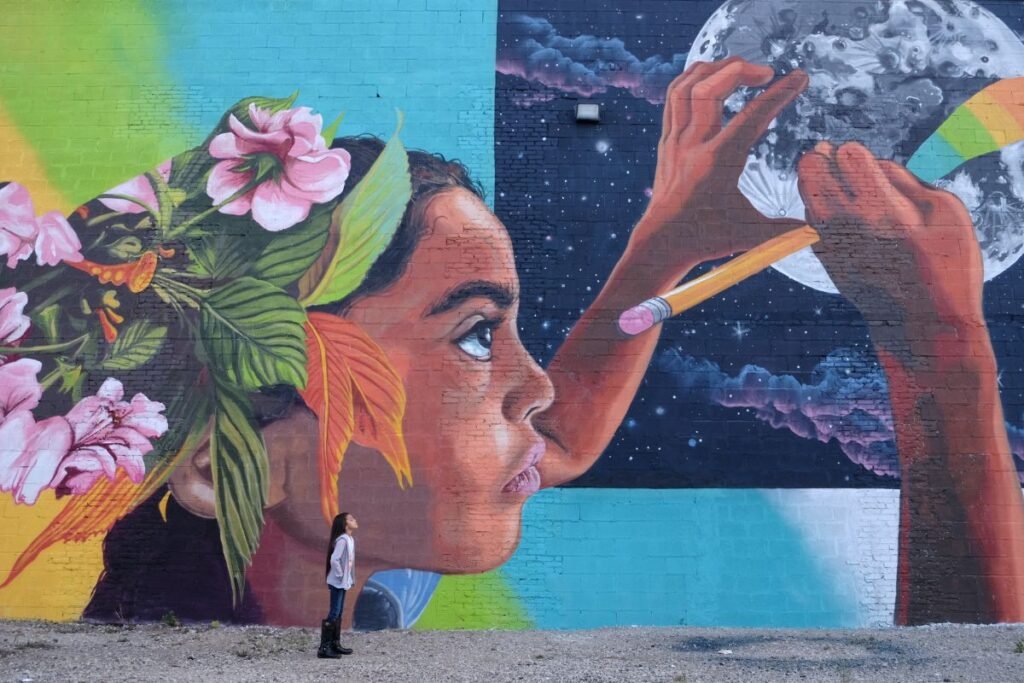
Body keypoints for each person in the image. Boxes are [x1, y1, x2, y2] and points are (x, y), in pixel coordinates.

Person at [65, 57, 1024, 628]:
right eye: (479, 334)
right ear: (214, 470)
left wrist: (668, 239)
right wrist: (942, 352)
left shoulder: (354, 545)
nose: (534, 387)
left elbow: (549, 440)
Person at [320, 512, 356, 658]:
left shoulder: (349, 539)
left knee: (339, 612)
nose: (355, 520)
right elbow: (334, 560)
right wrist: (341, 575)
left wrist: (349, 578)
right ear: (345, 524)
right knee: (334, 612)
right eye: (351, 519)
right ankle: (324, 648)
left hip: (343, 582)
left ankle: (335, 644)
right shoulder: (342, 540)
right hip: (337, 582)